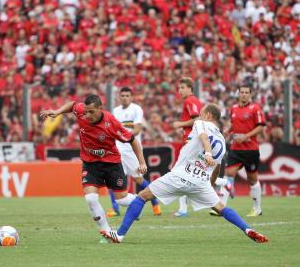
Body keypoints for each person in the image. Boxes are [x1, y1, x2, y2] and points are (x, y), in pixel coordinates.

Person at [101, 104, 268, 244]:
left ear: (208, 115)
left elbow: (203, 137)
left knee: (142, 196)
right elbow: (217, 167)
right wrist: (209, 185)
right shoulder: (223, 142)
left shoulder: (202, 123)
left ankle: (120, 235)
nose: (199, 116)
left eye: (202, 114)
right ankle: (248, 229)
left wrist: (207, 152)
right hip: (200, 182)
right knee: (221, 208)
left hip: (180, 175)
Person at [40, 94, 147, 242]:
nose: (87, 114)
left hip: (112, 164)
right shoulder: (81, 111)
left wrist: (141, 162)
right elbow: (72, 105)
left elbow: (133, 140)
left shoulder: (111, 123)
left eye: (91, 112)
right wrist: (57, 111)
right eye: (86, 111)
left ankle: (137, 204)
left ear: (100, 109)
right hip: (90, 164)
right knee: (90, 198)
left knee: (122, 200)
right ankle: (107, 232)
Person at [106, 87, 161, 217]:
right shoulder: (115, 111)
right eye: (122, 95)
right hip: (117, 151)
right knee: (111, 179)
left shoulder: (136, 109)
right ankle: (115, 208)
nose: (124, 98)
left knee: (138, 180)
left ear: (131, 97)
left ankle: (155, 202)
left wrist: (122, 136)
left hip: (131, 150)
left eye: (127, 95)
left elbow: (137, 129)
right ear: (119, 98)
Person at [215, 86, 266, 217]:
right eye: (241, 92)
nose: (244, 95)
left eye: (246, 92)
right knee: (228, 173)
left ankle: (257, 208)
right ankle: (221, 207)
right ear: (238, 94)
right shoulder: (234, 108)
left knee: (252, 179)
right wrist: (227, 131)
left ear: (250, 94)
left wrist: (246, 136)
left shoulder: (255, 108)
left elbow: (261, 126)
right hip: (236, 148)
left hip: (250, 149)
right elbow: (234, 123)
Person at [172, 77, 203, 217]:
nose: (180, 90)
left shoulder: (190, 101)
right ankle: (224, 183)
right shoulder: (194, 101)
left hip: (190, 141)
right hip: (194, 140)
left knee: (180, 172)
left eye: (183, 87)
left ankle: (183, 210)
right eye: (179, 87)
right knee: (191, 173)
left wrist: (180, 124)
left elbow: (197, 119)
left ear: (190, 88)